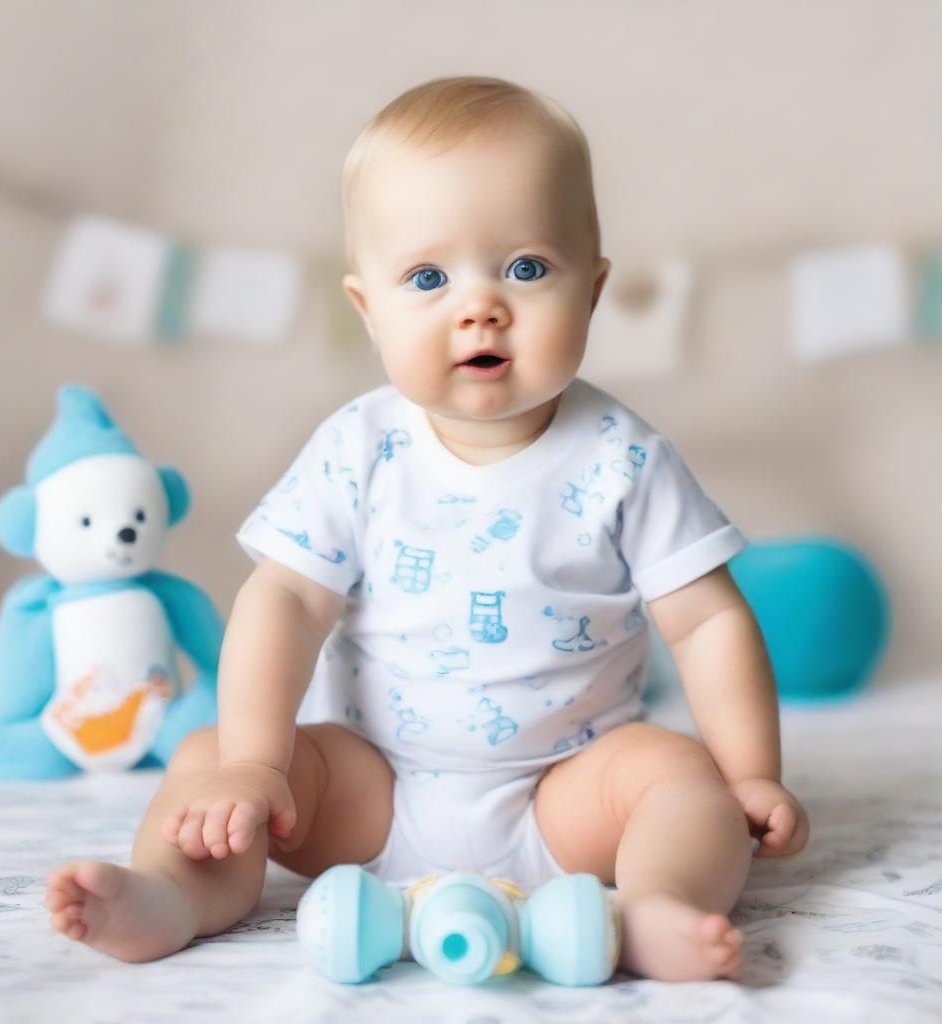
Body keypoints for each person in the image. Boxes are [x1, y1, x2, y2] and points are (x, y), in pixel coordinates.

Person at [45, 76, 809, 982]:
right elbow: (285, 601)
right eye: (428, 277)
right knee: (207, 759)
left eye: (527, 268)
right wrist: (257, 763)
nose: (479, 306)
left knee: (682, 779)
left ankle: (652, 906)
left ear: (594, 291)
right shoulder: (356, 450)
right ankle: (175, 893)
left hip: (569, 795)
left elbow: (709, 620)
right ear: (369, 311)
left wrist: (751, 771)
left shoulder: (622, 459)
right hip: (373, 789)